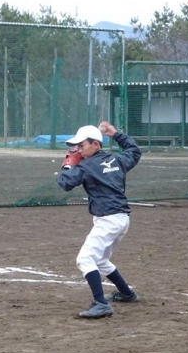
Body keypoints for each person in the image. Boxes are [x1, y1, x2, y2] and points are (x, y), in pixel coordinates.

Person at [56, 121, 142, 318]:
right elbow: (134, 151)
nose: (78, 150)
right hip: (121, 219)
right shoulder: (117, 160)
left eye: (82, 145)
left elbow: (65, 182)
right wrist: (116, 134)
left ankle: (101, 304)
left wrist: (68, 164)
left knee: (85, 259)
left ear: (96, 144)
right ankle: (127, 293)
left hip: (108, 220)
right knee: (101, 260)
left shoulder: (86, 166)